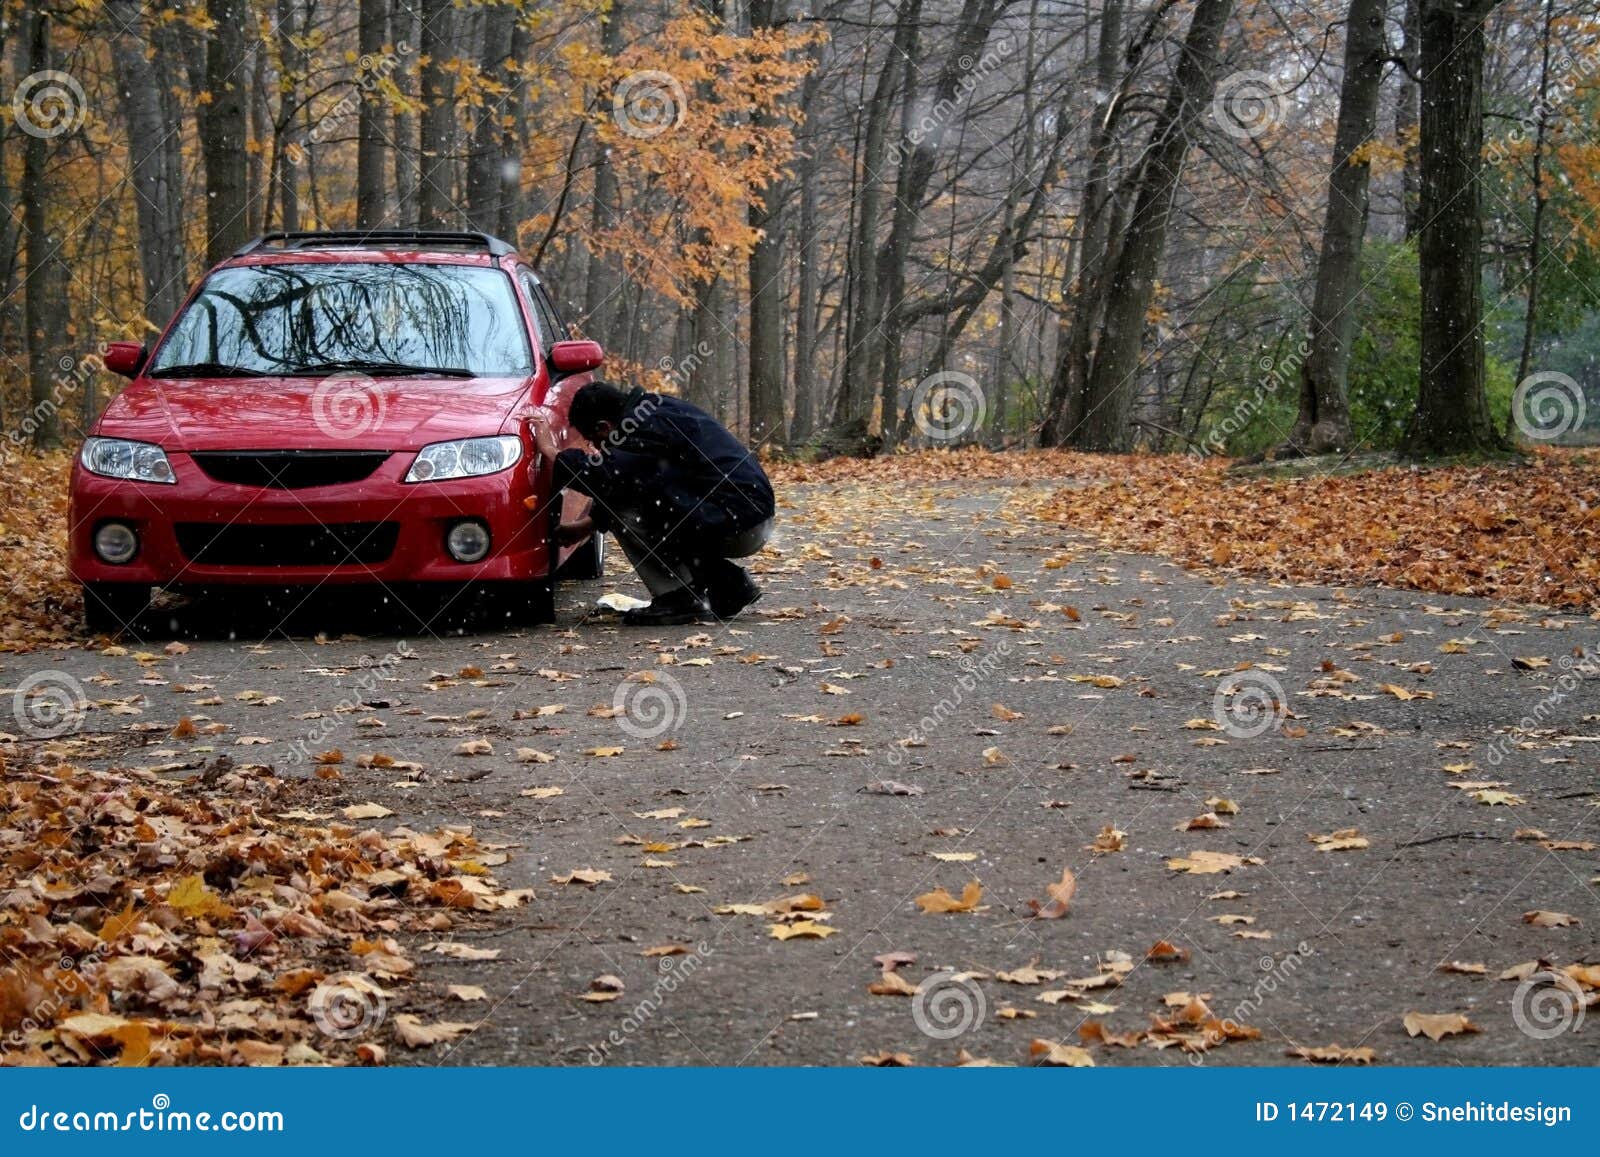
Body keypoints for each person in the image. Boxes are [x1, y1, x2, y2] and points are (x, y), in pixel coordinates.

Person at [527, 381, 775, 626]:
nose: (596, 448)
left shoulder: (641, 431)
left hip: (738, 523)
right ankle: (728, 586)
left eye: (594, 440)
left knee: (626, 510)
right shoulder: (654, 410)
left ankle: (679, 599)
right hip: (747, 513)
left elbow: (605, 477)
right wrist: (588, 525)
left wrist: (550, 451)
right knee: (652, 501)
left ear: (605, 426)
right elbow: (635, 480)